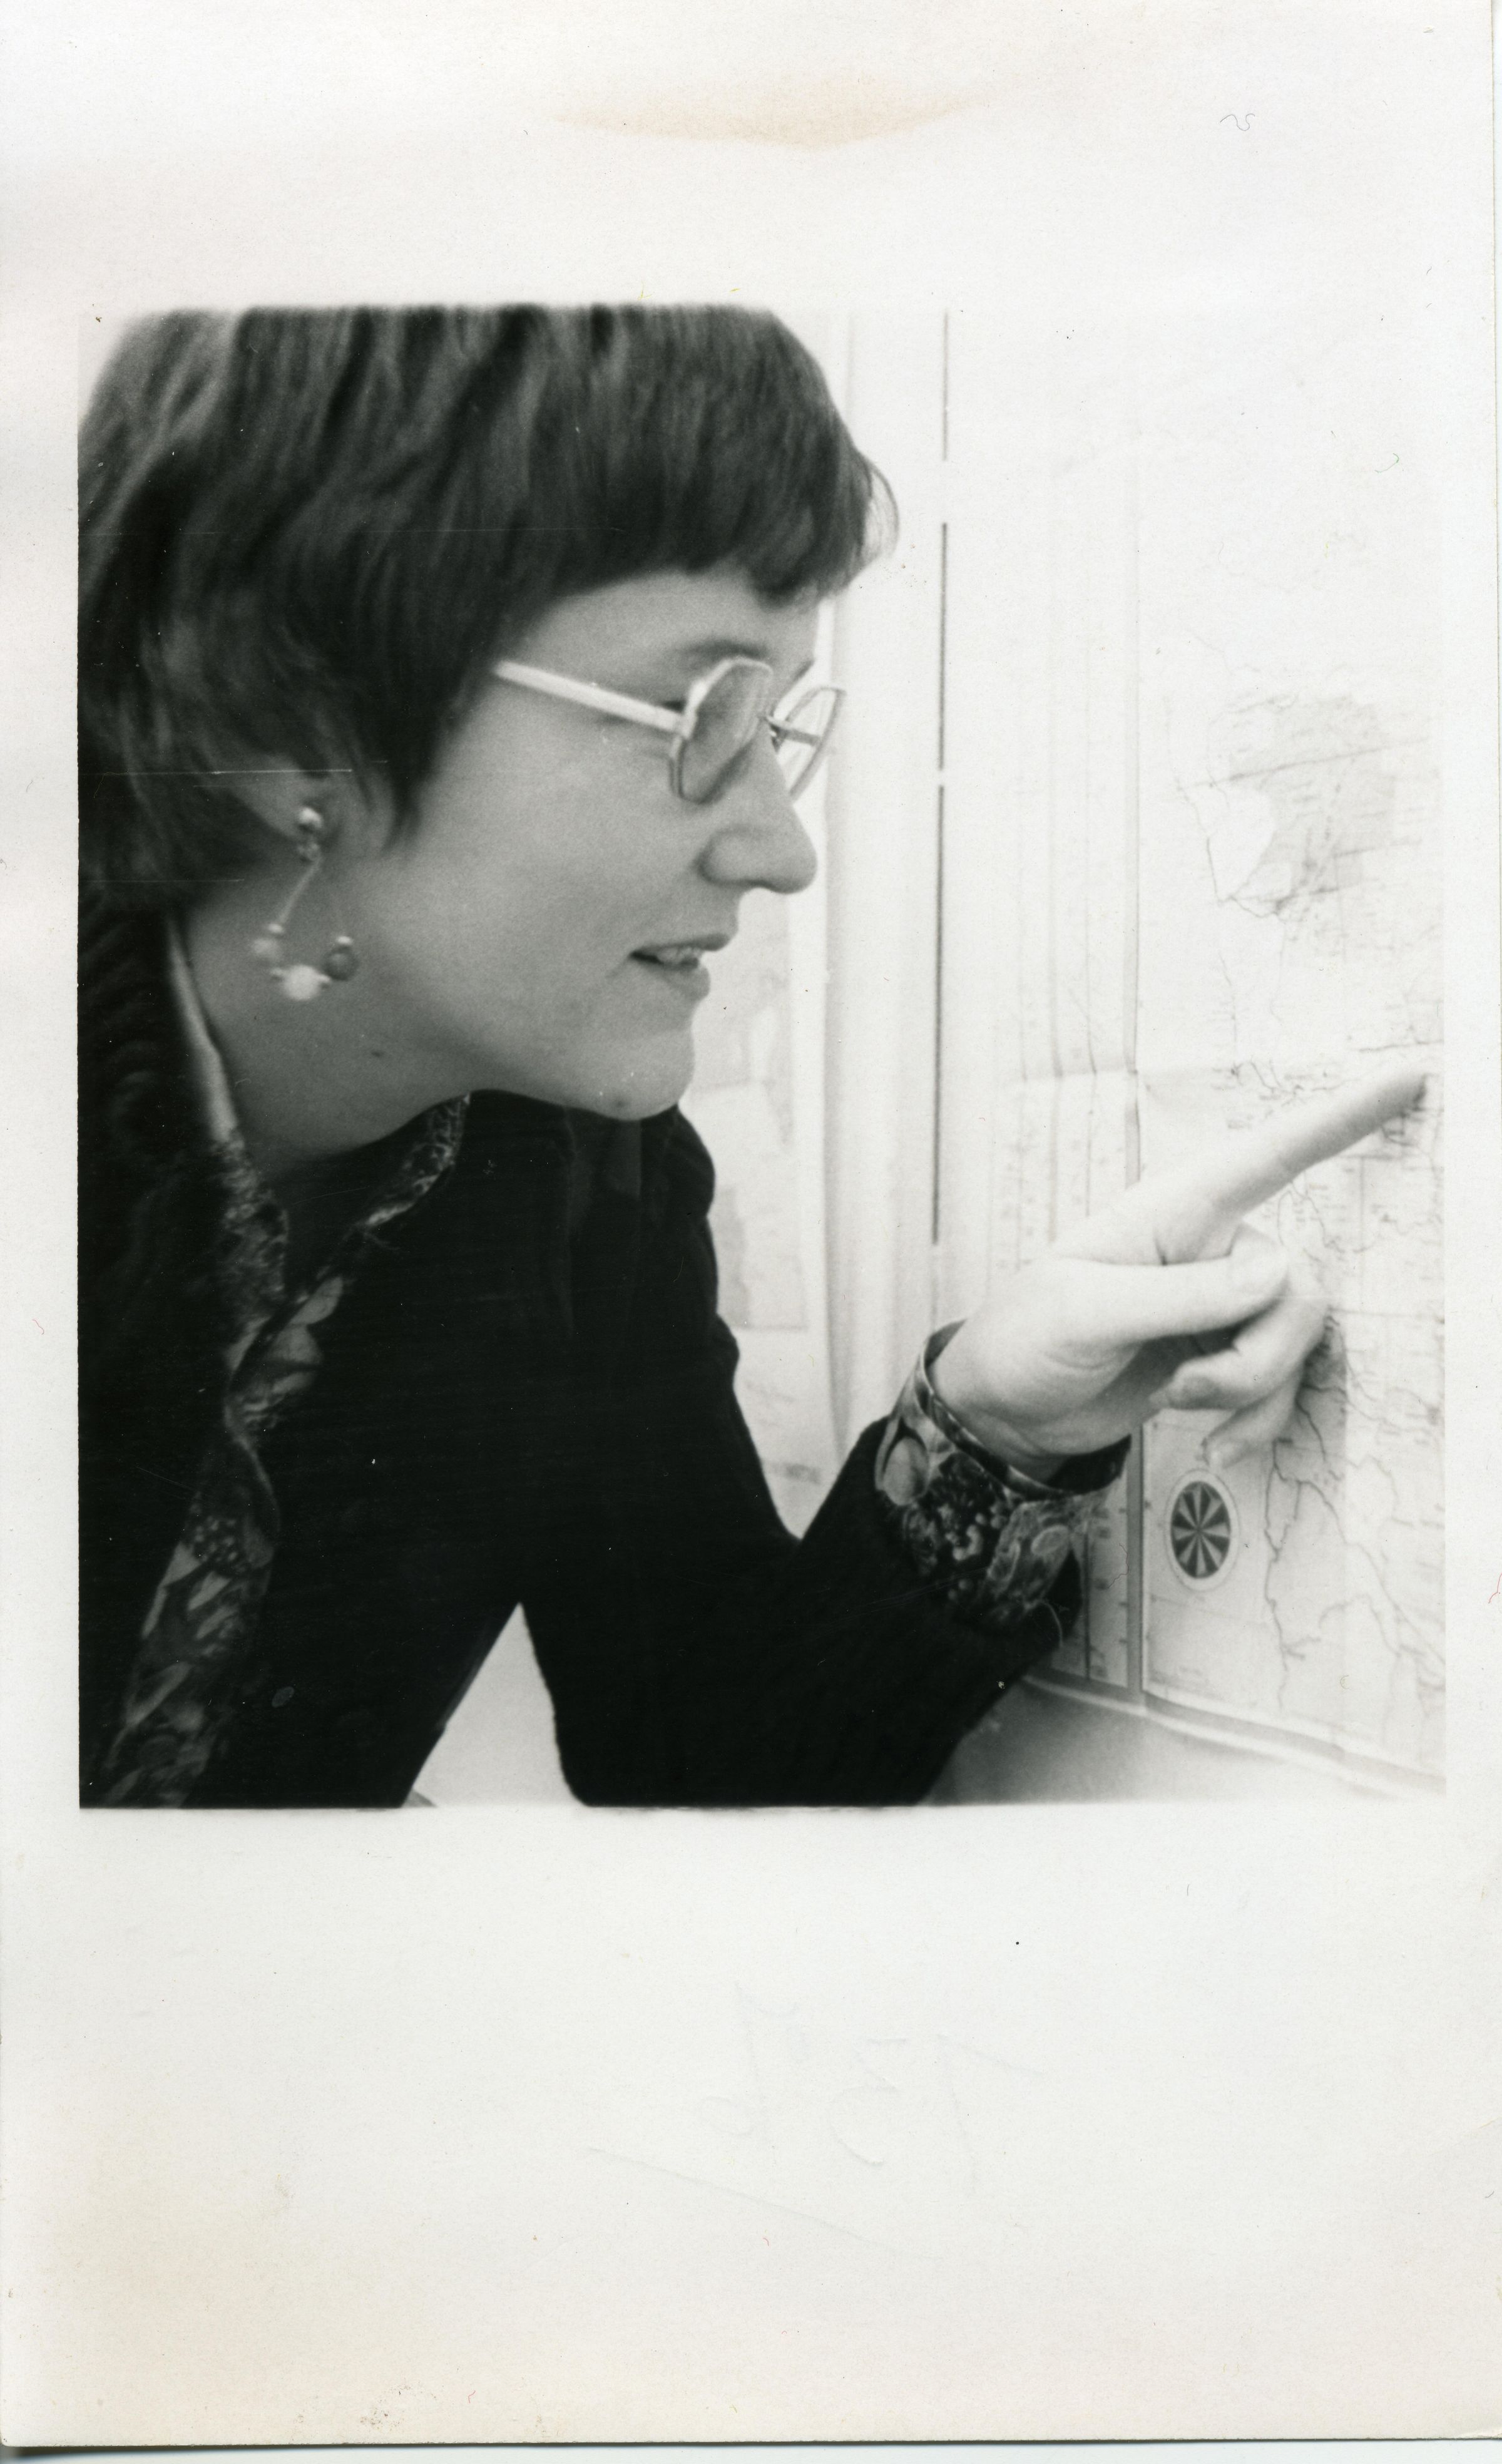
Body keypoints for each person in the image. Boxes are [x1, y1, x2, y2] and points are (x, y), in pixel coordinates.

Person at [78, 304, 1424, 1810]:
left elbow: (704, 1762)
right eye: (699, 713)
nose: (784, 852)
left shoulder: (586, 1177)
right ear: (292, 720)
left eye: (777, 728)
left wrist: (996, 1427)